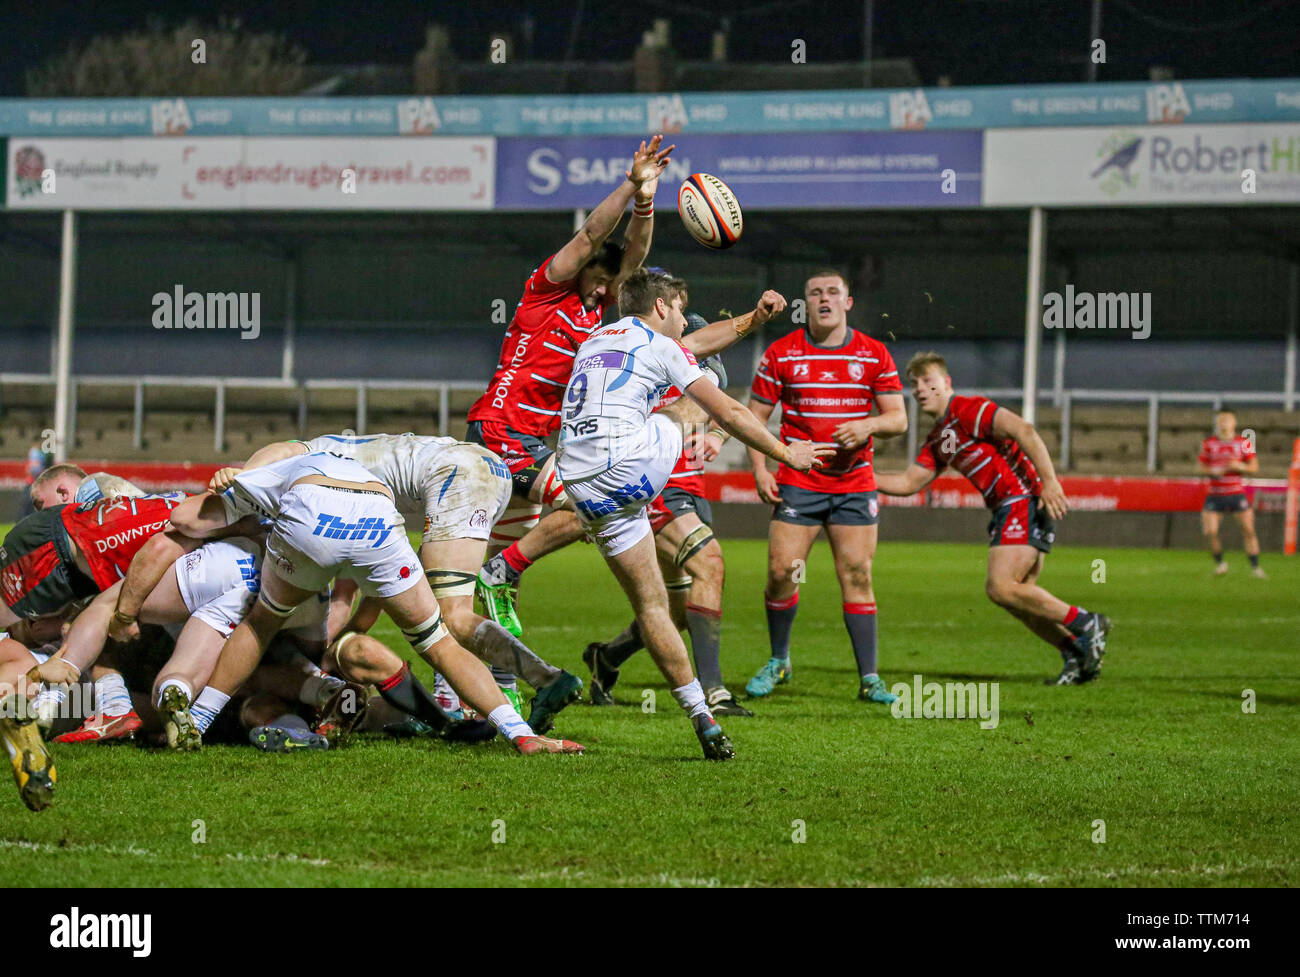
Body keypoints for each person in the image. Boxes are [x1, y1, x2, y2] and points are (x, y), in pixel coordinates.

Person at [556, 269, 830, 760]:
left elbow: (695, 340)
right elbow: (728, 411)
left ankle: (703, 720)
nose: (683, 319)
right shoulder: (662, 346)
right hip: (628, 466)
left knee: (654, 606)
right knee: (709, 385)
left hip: (579, 483)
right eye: (678, 310)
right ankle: (708, 705)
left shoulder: (595, 337)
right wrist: (787, 455)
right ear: (661, 308)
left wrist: (750, 319)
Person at [149, 451, 582, 754]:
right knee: (439, 642)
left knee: (262, 623)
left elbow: (183, 518)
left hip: (311, 515)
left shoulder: (280, 468)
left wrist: (226, 490)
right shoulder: (363, 473)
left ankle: (200, 721)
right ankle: (520, 734)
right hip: (379, 522)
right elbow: (360, 598)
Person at [468, 136, 673, 644]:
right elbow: (588, 238)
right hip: (500, 430)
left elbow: (636, 257)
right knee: (588, 506)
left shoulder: (596, 314)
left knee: (492, 569)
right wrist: (628, 184)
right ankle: (502, 574)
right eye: (599, 279)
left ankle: (479, 692)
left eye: (611, 284)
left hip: (536, 442)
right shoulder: (545, 292)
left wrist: (646, 200)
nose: (606, 290)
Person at [874, 351, 1111, 684]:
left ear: (947, 382)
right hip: (1007, 507)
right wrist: (858, 477)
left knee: (1000, 587)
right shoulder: (940, 437)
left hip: (1023, 499)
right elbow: (908, 482)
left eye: (928, 381)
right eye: (914, 385)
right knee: (1018, 598)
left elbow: (1023, 430)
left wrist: (1050, 481)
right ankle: (1075, 652)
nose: (920, 390)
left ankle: (1087, 623)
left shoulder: (968, 409)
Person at [744, 270, 908, 705]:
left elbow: (898, 418)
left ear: (848, 302)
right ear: (806, 302)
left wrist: (869, 424)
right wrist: (761, 469)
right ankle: (779, 660)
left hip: (854, 484)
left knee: (856, 574)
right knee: (784, 572)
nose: (824, 299)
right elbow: (753, 419)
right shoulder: (783, 353)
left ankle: (870, 679)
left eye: (833, 292)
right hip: (799, 482)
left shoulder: (873, 354)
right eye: (815, 292)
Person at [582, 313, 753, 716]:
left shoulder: (700, 367)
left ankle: (606, 657)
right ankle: (714, 693)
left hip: (693, 490)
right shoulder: (638, 365)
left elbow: (727, 410)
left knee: (674, 612)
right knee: (710, 565)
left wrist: (716, 434)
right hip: (657, 490)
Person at [1198, 409, 1264, 578]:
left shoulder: (1244, 442)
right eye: (1221, 420)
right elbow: (1201, 467)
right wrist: (1213, 471)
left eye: (1227, 419)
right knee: (1209, 532)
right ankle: (1220, 564)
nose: (1224, 422)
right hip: (1215, 494)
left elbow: (1254, 467)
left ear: (1234, 422)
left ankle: (1255, 568)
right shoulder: (1208, 443)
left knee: (1248, 529)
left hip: (1236, 493)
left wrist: (1239, 466)